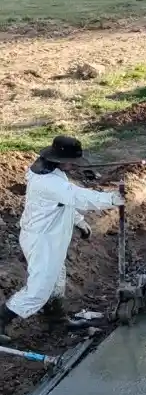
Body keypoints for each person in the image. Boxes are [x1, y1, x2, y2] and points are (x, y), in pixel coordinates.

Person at [0, 136, 124, 340]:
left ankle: (57, 322)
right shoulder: (47, 182)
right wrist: (112, 199)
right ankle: (2, 319)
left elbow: (62, 202)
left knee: (56, 283)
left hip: (52, 237)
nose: (74, 166)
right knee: (39, 290)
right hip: (42, 240)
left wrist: (79, 221)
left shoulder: (53, 173)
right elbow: (76, 196)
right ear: (58, 159)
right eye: (71, 162)